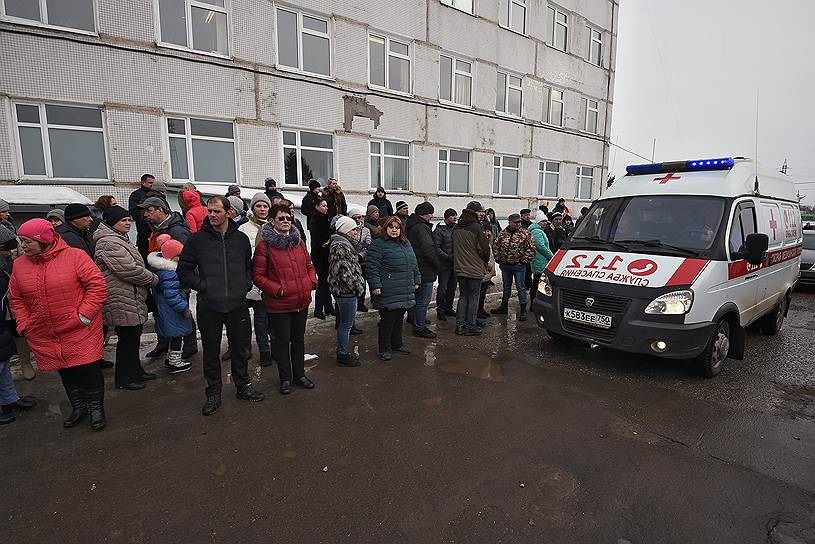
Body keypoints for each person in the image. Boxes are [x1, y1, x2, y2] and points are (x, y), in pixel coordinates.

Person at [10, 219, 108, 431]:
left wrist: (84, 315)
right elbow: (16, 298)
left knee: (88, 370)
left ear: (43, 240)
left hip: (80, 329)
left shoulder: (75, 256)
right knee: (66, 371)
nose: (23, 245)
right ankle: (79, 407)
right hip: (44, 331)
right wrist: (25, 323)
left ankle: (96, 409)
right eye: (21, 241)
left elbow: (97, 286)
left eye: (27, 241)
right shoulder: (20, 264)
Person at [177, 196, 264, 415]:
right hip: (209, 306)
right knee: (211, 352)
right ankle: (213, 392)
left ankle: (242, 385)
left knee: (240, 348)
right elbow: (184, 271)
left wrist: (244, 285)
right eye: (210, 211)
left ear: (229, 213)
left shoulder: (241, 239)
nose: (212, 215)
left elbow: (248, 267)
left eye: (217, 211)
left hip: (237, 304)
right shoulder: (197, 240)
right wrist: (203, 286)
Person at [93, 206, 159, 391]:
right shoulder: (108, 243)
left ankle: (135, 371)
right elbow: (128, 270)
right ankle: (125, 378)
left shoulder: (118, 238)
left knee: (132, 337)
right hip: (120, 297)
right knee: (127, 340)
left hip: (129, 295)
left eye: (129, 220)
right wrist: (153, 278)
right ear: (113, 222)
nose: (128, 223)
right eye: (124, 220)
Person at [253, 203, 318, 395]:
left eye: (288, 218)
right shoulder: (265, 246)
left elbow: (309, 265)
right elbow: (258, 276)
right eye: (281, 218)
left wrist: (311, 281)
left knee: (298, 341)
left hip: (301, 301)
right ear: (272, 221)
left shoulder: (298, 243)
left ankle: (299, 375)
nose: (286, 221)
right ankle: (285, 378)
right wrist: (278, 290)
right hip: (279, 304)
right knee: (281, 342)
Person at [140, 196, 196, 360]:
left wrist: (186, 282)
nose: (145, 215)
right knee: (164, 313)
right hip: (160, 279)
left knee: (182, 312)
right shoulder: (156, 227)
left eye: (149, 210)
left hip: (175, 281)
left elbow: (187, 258)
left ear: (161, 210)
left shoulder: (176, 230)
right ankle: (164, 343)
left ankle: (190, 345)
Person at [365, 216, 420, 361]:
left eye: (397, 227)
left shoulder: (406, 243)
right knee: (387, 320)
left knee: (399, 318)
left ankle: (397, 344)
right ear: (386, 228)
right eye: (391, 227)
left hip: (404, 287)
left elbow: (414, 263)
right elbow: (371, 267)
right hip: (387, 288)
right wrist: (375, 285)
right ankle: (384, 349)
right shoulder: (378, 244)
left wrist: (417, 278)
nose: (394, 230)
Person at [0, 226, 36, 424]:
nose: (11, 252)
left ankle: (9, 400)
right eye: (6, 248)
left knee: (3, 365)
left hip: (3, 320)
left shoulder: (5, 262)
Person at [148, 238, 194, 374]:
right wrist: (184, 308)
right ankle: (175, 362)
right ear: (172, 257)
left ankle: (171, 358)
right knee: (177, 336)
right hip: (173, 311)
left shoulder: (160, 269)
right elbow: (172, 295)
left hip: (165, 309)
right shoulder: (170, 273)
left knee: (173, 335)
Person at [238, 193, 273, 366]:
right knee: (260, 318)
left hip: (272, 279)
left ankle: (275, 347)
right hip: (253, 280)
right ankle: (264, 351)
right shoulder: (243, 229)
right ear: (253, 208)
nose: (262, 209)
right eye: (259, 206)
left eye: (265, 206)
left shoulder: (273, 227)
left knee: (273, 319)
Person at [329, 216, 366, 367]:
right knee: (346, 325)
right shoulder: (341, 247)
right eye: (353, 229)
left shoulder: (343, 244)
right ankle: (342, 354)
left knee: (344, 324)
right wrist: (357, 285)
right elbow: (344, 273)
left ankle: (342, 352)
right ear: (345, 230)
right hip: (346, 292)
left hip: (344, 291)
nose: (356, 232)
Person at [453, 201, 490, 336]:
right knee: (473, 297)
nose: (482, 214)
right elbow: (484, 251)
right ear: (473, 212)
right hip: (474, 269)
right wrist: (484, 261)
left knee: (463, 297)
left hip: (460, 268)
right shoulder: (476, 227)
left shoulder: (457, 227)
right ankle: (470, 326)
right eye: (480, 211)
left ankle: (460, 326)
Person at [492, 213, 535, 321]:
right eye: (516, 222)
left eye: (519, 222)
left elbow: (532, 249)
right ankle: (503, 306)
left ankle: (523, 310)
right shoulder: (503, 233)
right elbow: (496, 245)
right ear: (510, 222)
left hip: (518, 266)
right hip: (505, 265)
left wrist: (523, 260)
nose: (518, 224)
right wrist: (498, 258)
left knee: (521, 287)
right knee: (506, 286)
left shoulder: (525, 234)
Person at [406, 202, 439, 339]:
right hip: (424, 269)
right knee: (423, 300)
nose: (432, 216)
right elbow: (428, 250)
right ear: (426, 213)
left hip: (415, 267)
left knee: (415, 298)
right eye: (431, 213)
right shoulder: (422, 228)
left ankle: (413, 318)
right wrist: (438, 265)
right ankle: (419, 328)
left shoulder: (411, 224)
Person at [309, 197, 333, 319]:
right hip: (320, 255)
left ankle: (328, 306)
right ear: (317, 206)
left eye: (326, 205)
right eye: (324, 205)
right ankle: (318, 309)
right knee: (323, 282)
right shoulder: (316, 219)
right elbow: (319, 238)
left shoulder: (325, 218)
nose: (326, 207)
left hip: (325, 254)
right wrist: (329, 240)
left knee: (327, 281)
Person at [433, 208, 457, 321]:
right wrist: (447, 257)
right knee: (443, 288)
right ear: (447, 217)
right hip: (444, 265)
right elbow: (436, 248)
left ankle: (449, 308)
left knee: (452, 287)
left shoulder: (456, 229)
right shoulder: (439, 230)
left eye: (456, 215)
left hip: (455, 264)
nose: (455, 218)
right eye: (453, 216)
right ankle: (440, 310)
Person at [348, 208, 372, 313]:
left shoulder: (365, 230)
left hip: (362, 260)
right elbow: (349, 243)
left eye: (359, 217)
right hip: (351, 259)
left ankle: (361, 303)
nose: (357, 219)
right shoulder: (349, 229)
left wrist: (361, 255)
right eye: (355, 218)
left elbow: (368, 245)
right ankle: (354, 302)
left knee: (362, 281)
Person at [528, 211, 555, 302]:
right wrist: (551, 256)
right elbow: (541, 246)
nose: (544, 223)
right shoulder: (537, 231)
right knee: (537, 283)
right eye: (542, 221)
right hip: (540, 260)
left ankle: (535, 301)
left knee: (538, 282)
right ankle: (534, 302)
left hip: (541, 260)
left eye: (545, 221)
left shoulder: (539, 231)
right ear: (538, 222)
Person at [129, 174, 156, 260]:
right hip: (144, 230)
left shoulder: (155, 194)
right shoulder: (136, 195)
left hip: (155, 229)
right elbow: (134, 211)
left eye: (153, 183)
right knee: (145, 254)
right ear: (143, 182)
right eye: (149, 182)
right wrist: (146, 220)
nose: (152, 185)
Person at [478, 221, 497, 319]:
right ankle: (478, 311)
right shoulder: (480, 241)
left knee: (483, 293)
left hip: (488, 272)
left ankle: (481, 309)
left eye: (489, 231)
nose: (488, 233)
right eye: (486, 231)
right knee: (479, 294)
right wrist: (488, 265)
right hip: (483, 271)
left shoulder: (487, 240)